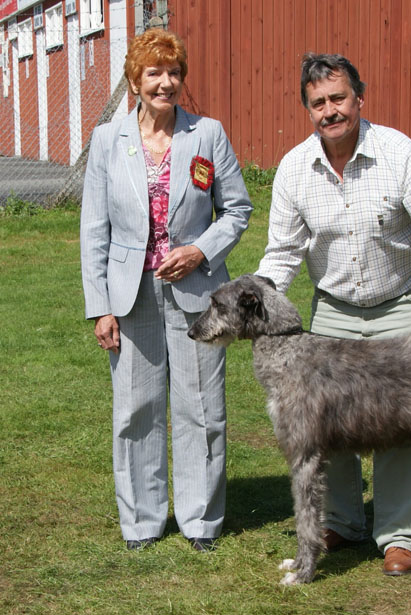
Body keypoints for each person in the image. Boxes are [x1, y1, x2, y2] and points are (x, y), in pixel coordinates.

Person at [256, 52, 411, 576]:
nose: (330, 111)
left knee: (401, 426)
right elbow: (282, 253)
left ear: (359, 99)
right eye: (318, 103)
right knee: (327, 427)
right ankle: (342, 523)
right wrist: (260, 304)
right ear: (308, 110)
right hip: (332, 313)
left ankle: (399, 536)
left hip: (399, 308)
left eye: (338, 98)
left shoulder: (398, 152)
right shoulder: (292, 169)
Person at [80, 29, 252, 552]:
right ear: (135, 80)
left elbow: (238, 209)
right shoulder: (108, 140)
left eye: (173, 72)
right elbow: (94, 229)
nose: (166, 83)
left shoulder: (208, 135)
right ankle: (143, 522)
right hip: (129, 296)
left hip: (199, 294)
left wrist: (200, 251)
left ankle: (201, 522)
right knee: (136, 409)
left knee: (201, 407)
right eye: (154, 73)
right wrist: (101, 307)